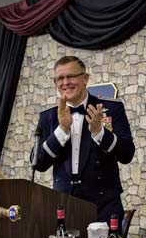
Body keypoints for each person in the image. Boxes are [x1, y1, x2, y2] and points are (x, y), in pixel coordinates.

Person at [32, 56, 134, 223]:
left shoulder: (112, 108)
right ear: (55, 83)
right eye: (60, 78)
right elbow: (38, 163)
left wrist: (99, 133)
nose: (66, 82)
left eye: (71, 76)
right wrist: (62, 130)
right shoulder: (48, 116)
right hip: (64, 207)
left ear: (85, 78)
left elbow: (127, 154)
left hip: (104, 207)